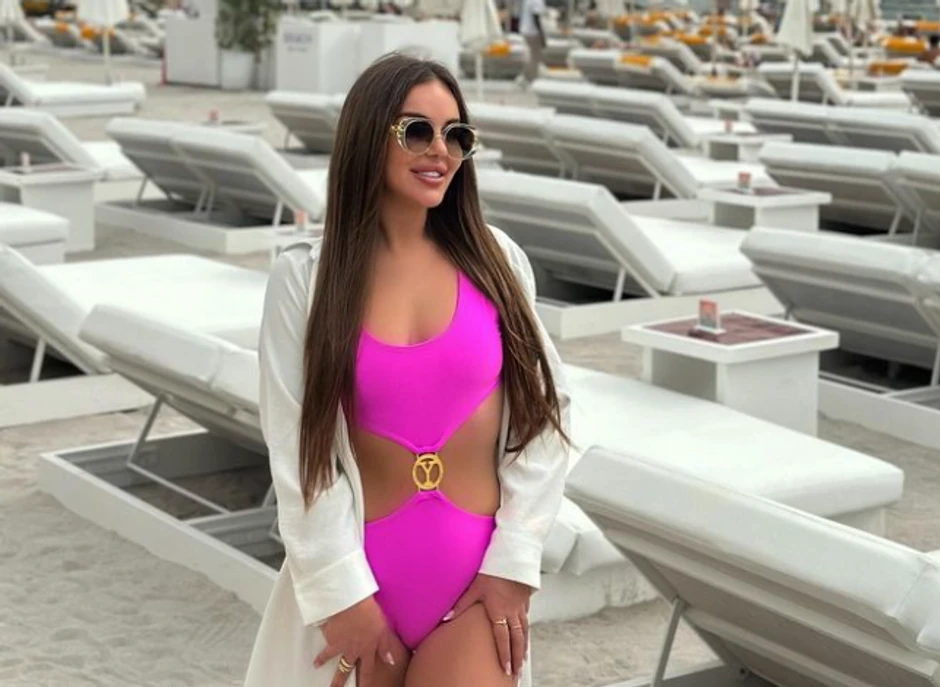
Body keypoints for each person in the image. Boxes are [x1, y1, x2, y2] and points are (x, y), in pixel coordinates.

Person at [243, 53, 571, 687]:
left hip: (476, 591)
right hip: (360, 590)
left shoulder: (497, 261)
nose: (440, 151)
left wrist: (515, 562)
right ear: (369, 135)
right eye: (417, 131)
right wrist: (341, 596)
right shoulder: (305, 280)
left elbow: (546, 419)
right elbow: (296, 449)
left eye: (456, 135)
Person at [519, 0, 546, 85]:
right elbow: (536, 18)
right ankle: (532, 79)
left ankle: (526, 77)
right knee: (535, 57)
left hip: (525, 30)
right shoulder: (537, 1)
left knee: (530, 55)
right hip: (533, 32)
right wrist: (542, 35)